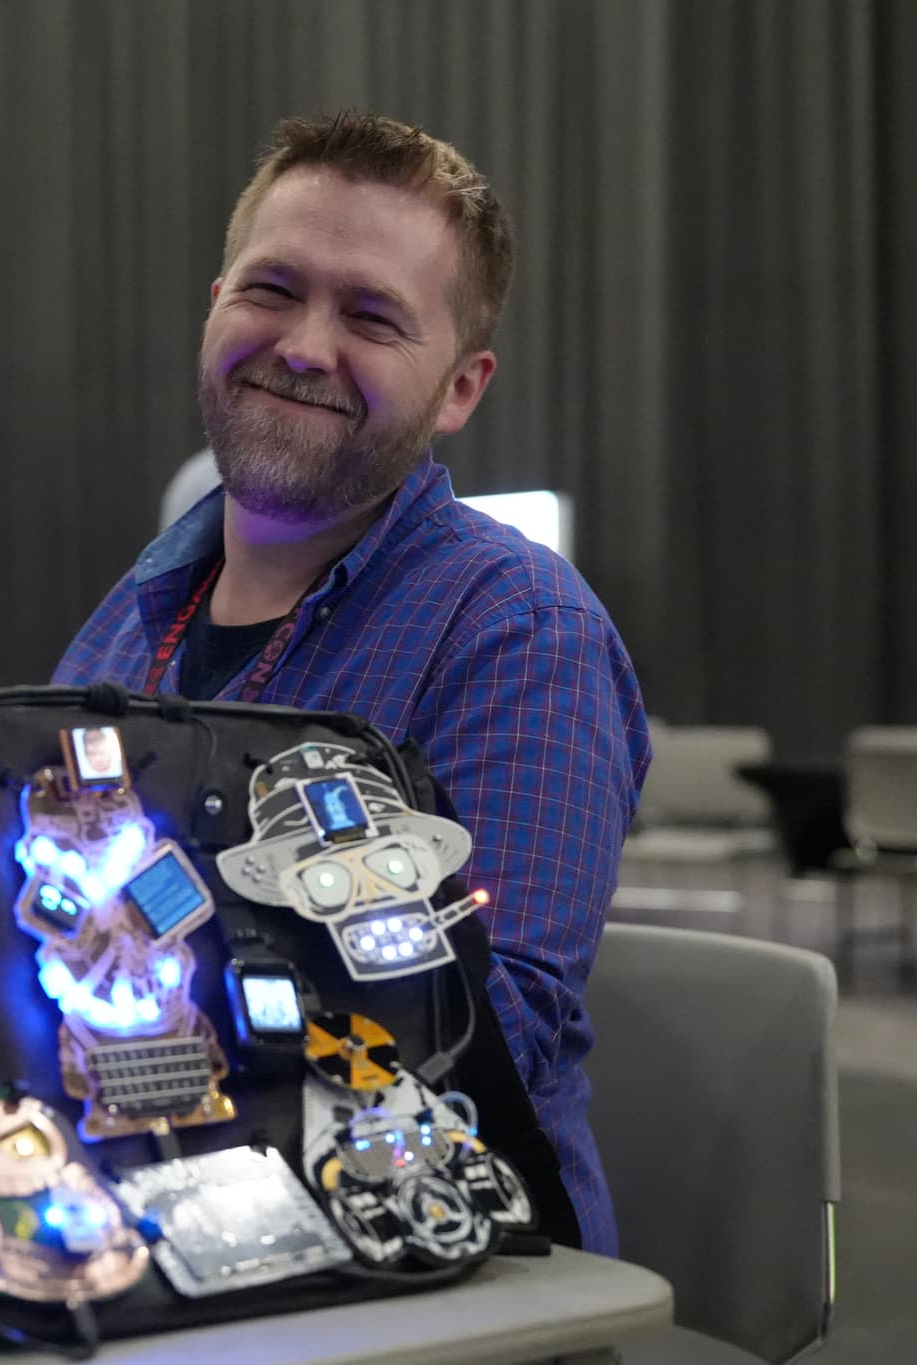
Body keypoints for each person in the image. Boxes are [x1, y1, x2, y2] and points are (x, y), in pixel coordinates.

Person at [52, 112, 650, 1254]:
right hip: (134, 1219)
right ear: (215, 304)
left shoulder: (516, 632)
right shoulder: (123, 627)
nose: (304, 345)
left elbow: (480, 1047)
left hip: (429, 1270)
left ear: (461, 387)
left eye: (370, 316)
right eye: (271, 290)